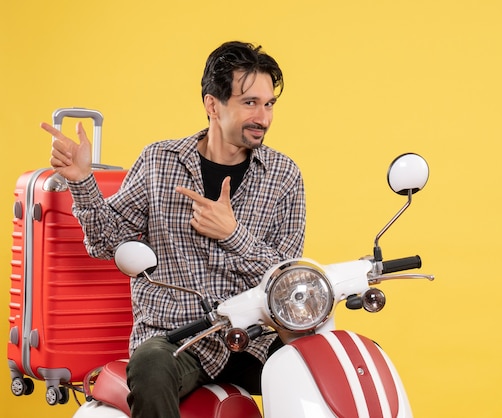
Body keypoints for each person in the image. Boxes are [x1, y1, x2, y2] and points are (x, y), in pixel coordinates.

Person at [41, 41, 306, 418]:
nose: (263, 117)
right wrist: (83, 181)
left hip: (253, 341)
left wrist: (233, 235)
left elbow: (287, 279)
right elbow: (105, 243)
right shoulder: (159, 162)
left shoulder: (284, 176)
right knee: (150, 366)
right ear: (213, 105)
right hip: (178, 339)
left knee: (332, 358)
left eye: (269, 104)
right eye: (249, 103)